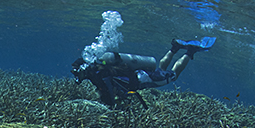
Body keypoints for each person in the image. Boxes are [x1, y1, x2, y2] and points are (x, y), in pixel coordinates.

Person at [72, 37, 215, 106]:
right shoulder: (99, 70)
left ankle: (190, 51)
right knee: (161, 70)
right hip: (142, 75)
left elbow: (110, 95)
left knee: (173, 76)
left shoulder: (98, 75)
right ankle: (175, 47)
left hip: (143, 78)